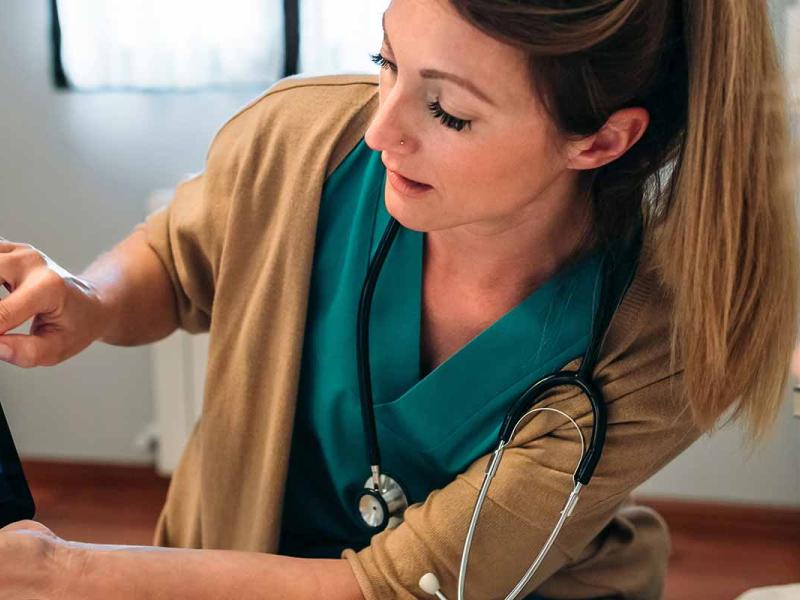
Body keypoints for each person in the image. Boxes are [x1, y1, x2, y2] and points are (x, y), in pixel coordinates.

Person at [0, 0, 796, 598]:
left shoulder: (668, 336)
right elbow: (178, 262)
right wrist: (89, 298)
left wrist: (62, 572)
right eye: (384, 62)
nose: (382, 129)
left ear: (600, 142)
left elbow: (388, 589)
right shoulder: (305, 143)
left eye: (447, 109)